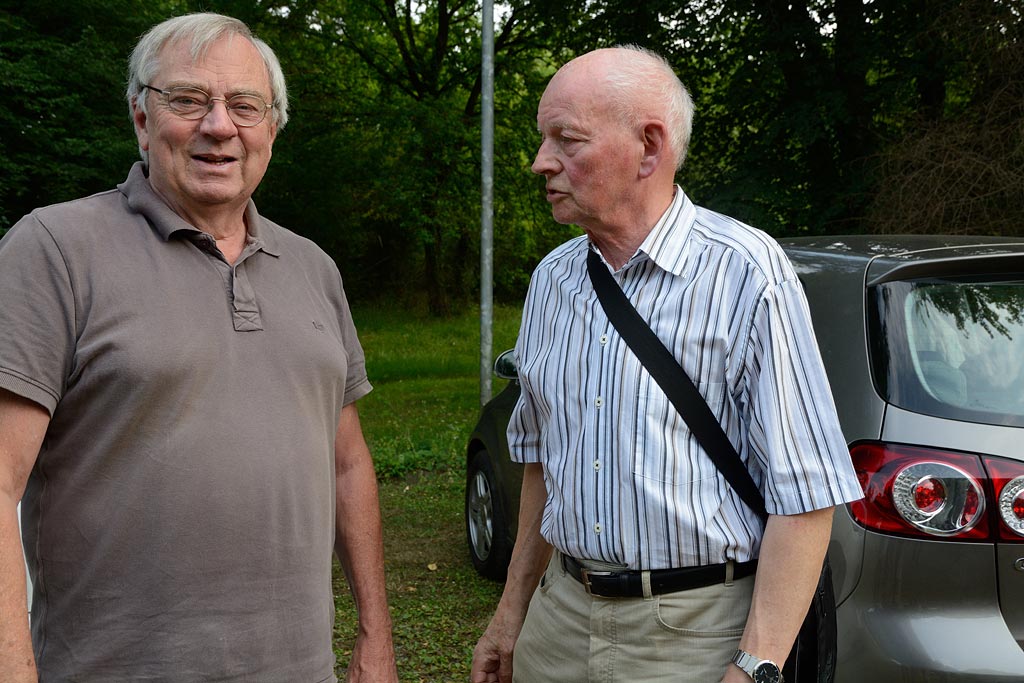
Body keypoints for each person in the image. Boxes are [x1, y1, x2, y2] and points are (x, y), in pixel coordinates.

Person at [0, 13, 397, 683]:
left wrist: (375, 638)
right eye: (187, 100)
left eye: (245, 105)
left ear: (272, 127)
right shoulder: (54, 251)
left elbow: (348, 462)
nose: (220, 125)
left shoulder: (313, 269)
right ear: (140, 117)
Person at [470, 46, 864, 683]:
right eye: (544, 139)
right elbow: (541, 463)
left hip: (695, 637)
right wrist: (511, 613)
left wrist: (754, 666)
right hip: (558, 620)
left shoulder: (747, 271)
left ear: (649, 148)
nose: (540, 162)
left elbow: (807, 497)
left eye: (565, 139)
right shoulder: (552, 281)